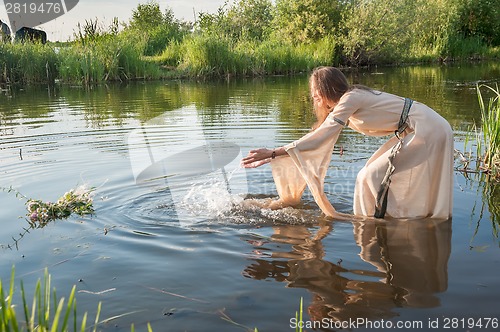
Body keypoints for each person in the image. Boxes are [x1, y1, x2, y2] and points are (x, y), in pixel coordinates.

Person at [241, 66, 453, 220]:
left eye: (315, 91)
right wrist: (278, 154)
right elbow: (318, 134)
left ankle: (373, 223)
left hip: (426, 127)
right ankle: (381, 219)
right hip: (414, 128)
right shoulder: (346, 103)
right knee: (371, 175)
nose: (313, 96)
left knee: (368, 176)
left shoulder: (351, 98)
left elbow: (324, 135)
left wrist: (274, 152)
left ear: (326, 89)